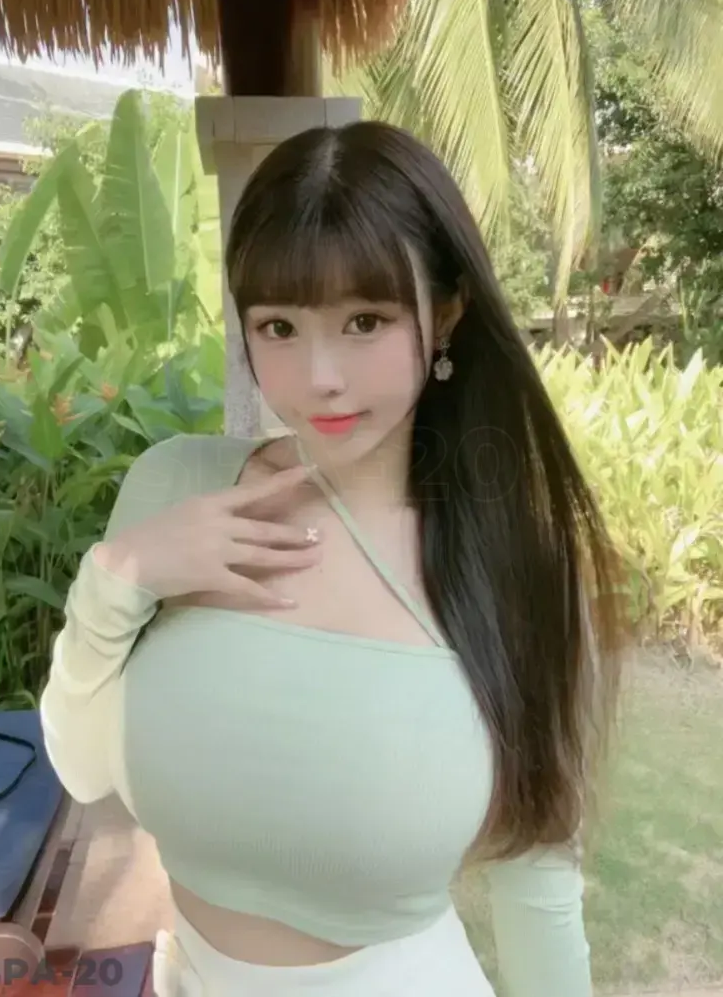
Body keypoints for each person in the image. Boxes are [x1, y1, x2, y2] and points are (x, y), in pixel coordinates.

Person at [39, 120, 626, 997]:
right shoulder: (175, 487)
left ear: (446, 313)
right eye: (279, 325)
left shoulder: (515, 563)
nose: (320, 376)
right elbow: (83, 769)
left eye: (365, 320)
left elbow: (536, 878)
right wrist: (119, 576)